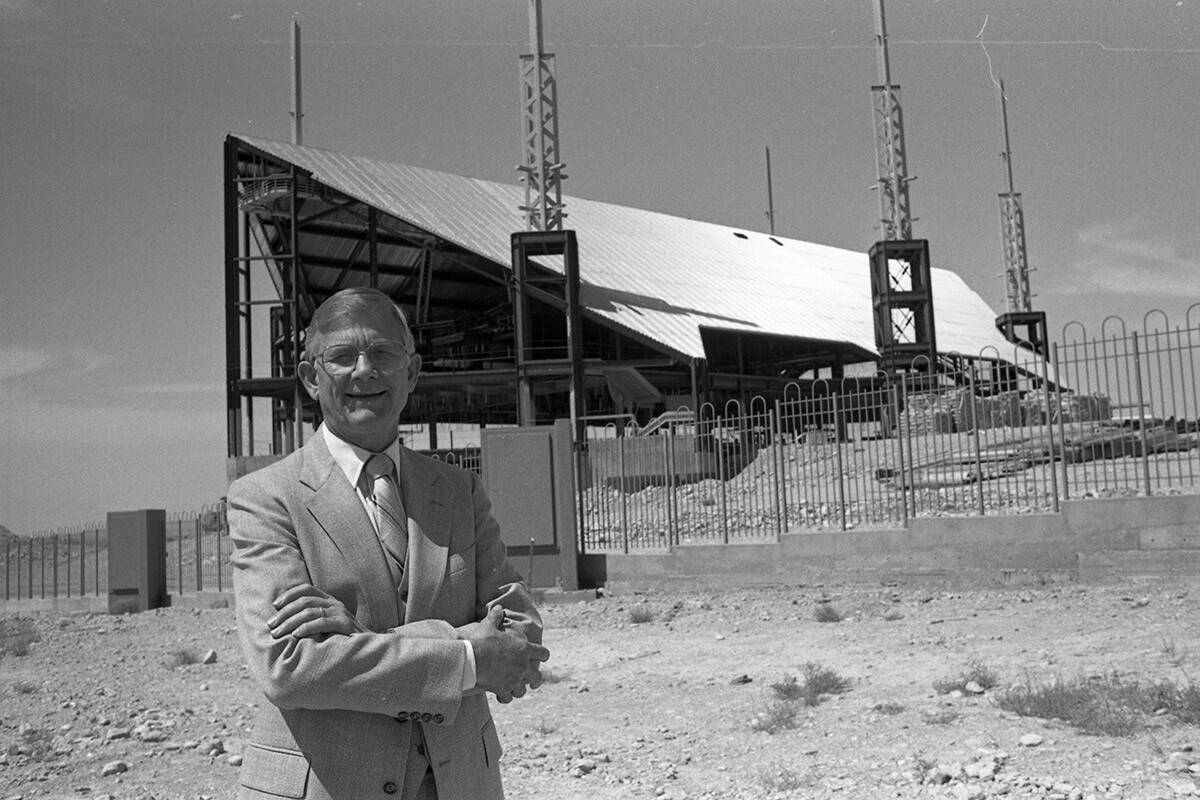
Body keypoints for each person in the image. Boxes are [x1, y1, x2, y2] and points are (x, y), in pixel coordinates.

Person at [228, 287, 549, 800]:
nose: (364, 371)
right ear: (312, 378)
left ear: (411, 372)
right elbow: (288, 666)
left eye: (382, 353)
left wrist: (356, 637)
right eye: (341, 357)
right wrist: (465, 656)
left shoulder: (459, 491)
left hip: (458, 781)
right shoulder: (266, 499)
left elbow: (521, 630)